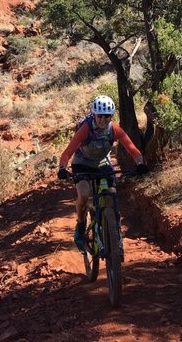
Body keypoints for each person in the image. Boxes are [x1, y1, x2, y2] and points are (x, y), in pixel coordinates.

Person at [57, 94, 148, 250]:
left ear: (111, 116)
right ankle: (80, 225)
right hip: (82, 162)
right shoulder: (85, 129)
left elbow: (132, 149)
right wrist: (62, 168)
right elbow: (67, 152)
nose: (103, 120)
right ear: (94, 115)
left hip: (102, 162)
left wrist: (140, 163)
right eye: (100, 116)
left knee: (111, 194)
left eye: (107, 116)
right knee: (84, 194)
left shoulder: (114, 129)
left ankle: (114, 232)